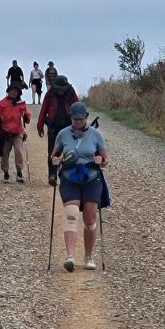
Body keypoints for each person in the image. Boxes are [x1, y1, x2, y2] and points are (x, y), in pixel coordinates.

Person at [51, 102, 109, 272]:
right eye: (75, 119)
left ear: (86, 117)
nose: (78, 122)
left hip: (91, 177)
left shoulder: (96, 135)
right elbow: (55, 154)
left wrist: (101, 161)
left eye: (81, 119)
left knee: (90, 219)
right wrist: (55, 160)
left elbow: (105, 158)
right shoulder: (63, 134)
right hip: (70, 177)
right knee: (71, 215)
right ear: (71, 118)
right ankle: (70, 257)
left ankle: (89, 256)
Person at [37, 75, 78, 186]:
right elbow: (43, 109)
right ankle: (52, 175)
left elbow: (78, 108)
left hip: (69, 127)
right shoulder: (50, 93)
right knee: (53, 152)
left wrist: (81, 125)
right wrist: (40, 125)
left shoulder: (71, 92)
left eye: (62, 89)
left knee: (71, 151)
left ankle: (69, 175)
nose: (60, 91)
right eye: (59, 89)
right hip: (53, 127)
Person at [0, 82, 31, 183]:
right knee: (4, 153)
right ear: (8, 92)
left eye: (16, 91)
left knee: (18, 151)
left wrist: (26, 117)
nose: (13, 93)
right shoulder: (2, 103)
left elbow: (27, 116)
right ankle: (6, 173)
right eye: (12, 91)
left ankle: (19, 172)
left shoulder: (22, 104)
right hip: (5, 133)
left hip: (18, 132)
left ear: (19, 93)